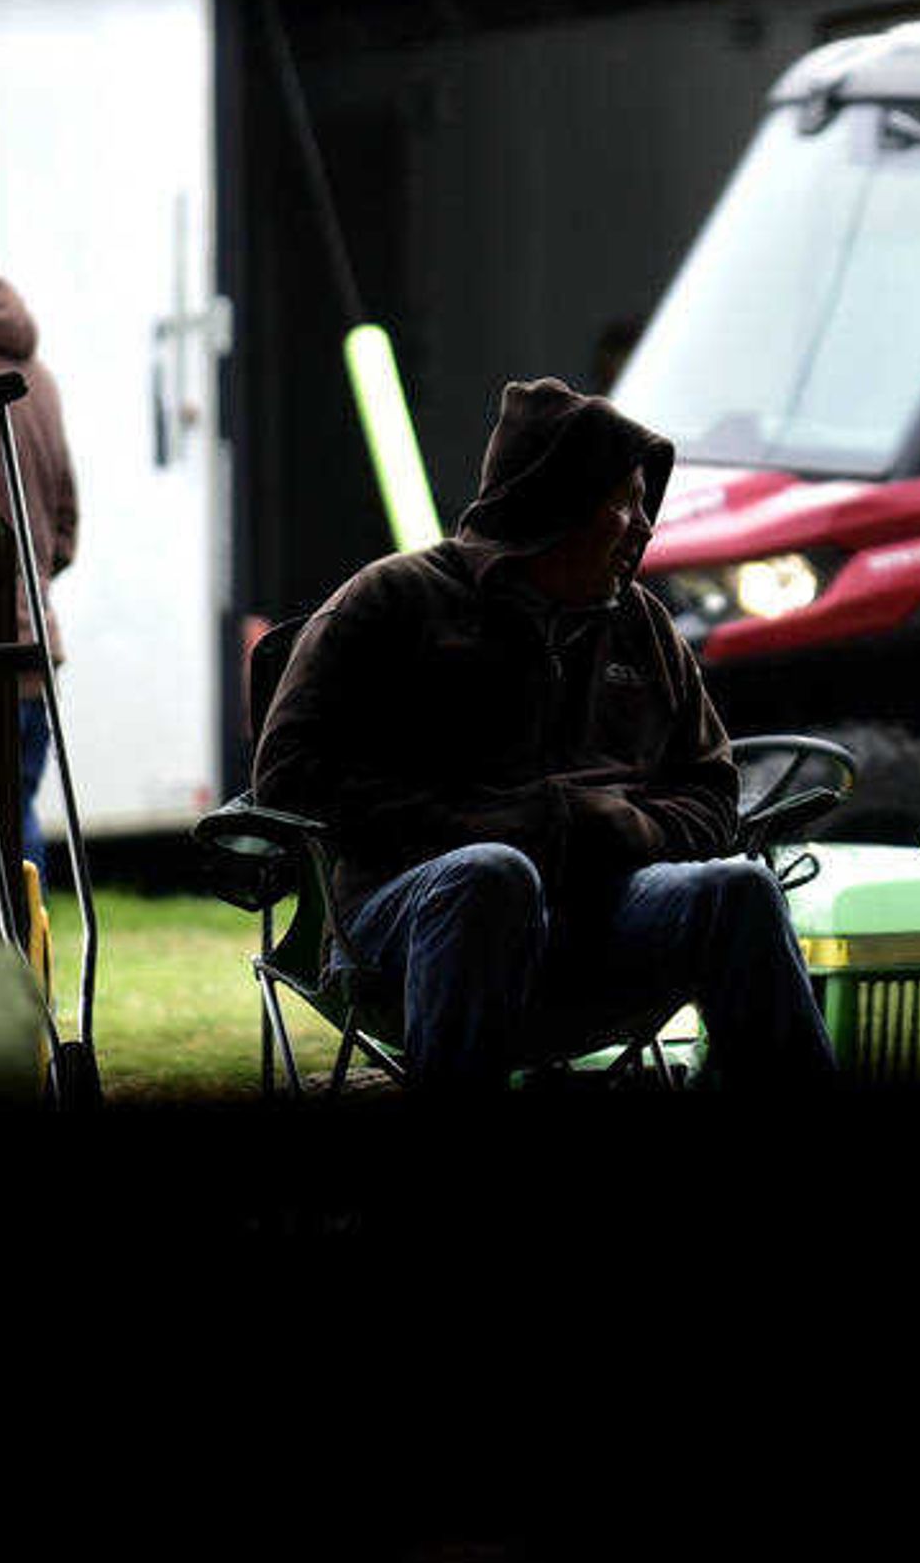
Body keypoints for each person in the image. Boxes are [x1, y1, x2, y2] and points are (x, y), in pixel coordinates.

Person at [252, 377, 838, 1096]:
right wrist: (504, 826)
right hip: (405, 919)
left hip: (605, 913)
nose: (644, 526)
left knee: (739, 888)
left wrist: (624, 827)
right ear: (548, 508)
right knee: (492, 873)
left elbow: (712, 793)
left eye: (643, 503)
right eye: (620, 504)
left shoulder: (642, 627)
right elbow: (289, 776)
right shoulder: (395, 602)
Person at [0, 255, 81, 871]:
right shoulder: (36, 377)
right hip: (35, 641)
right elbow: (66, 530)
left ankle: (4, 965)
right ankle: (30, 965)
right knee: (16, 824)